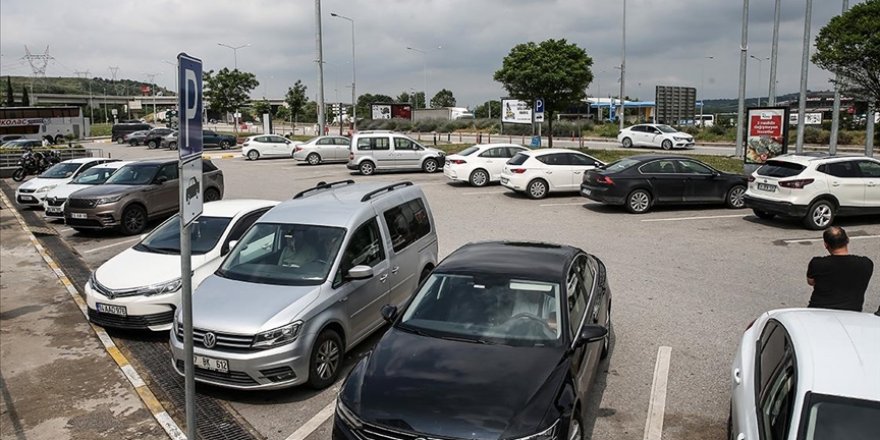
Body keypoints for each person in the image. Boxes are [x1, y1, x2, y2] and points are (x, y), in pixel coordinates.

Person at [806, 226, 874, 312]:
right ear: (847, 240)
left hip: (818, 311)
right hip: (851, 313)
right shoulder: (866, 264)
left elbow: (810, 282)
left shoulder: (817, 263)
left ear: (826, 245)